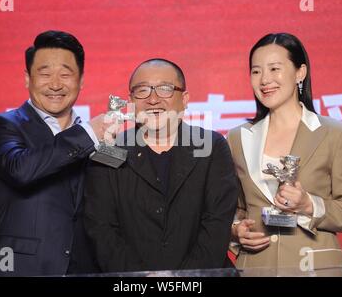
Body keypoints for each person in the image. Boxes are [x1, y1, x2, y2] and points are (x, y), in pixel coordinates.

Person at [227, 33, 342, 276]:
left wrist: (309, 204)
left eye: (274, 69)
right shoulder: (237, 138)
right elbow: (234, 208)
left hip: (316, 266)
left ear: (300, 73)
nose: (265, 80)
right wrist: (236, 230)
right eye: (256, 71)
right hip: (255, 267)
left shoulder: (335, 134)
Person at [0, 30, 118, 276]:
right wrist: (87, 134)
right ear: (27, 78)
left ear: (81, 80)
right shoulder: (1, 125)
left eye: (65, 74)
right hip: (19, 270)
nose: (55, 84)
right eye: (44, 74)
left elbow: (117, 201)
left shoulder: (98, 137)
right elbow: (20, 170)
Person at [84, 58, 241, 273]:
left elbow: (217, 225)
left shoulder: (212, 147)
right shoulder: (109, 151)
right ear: (130, 101)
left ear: (185, 99)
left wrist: (180, 280)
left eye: (165, 89)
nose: (153, 99)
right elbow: (101, 229)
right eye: (142, 91)